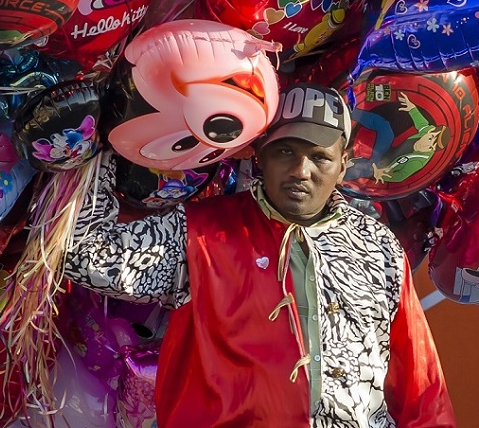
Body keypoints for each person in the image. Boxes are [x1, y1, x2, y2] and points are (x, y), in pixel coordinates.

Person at [65, 83, 456, 427]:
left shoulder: (378, 248)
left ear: (343, 165)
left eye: (319, 157)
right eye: (285, 151)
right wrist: (101, 135)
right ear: (259, 157)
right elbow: (84, 254)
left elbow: (424, 392)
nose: (301, 170)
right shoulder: (199, 235)